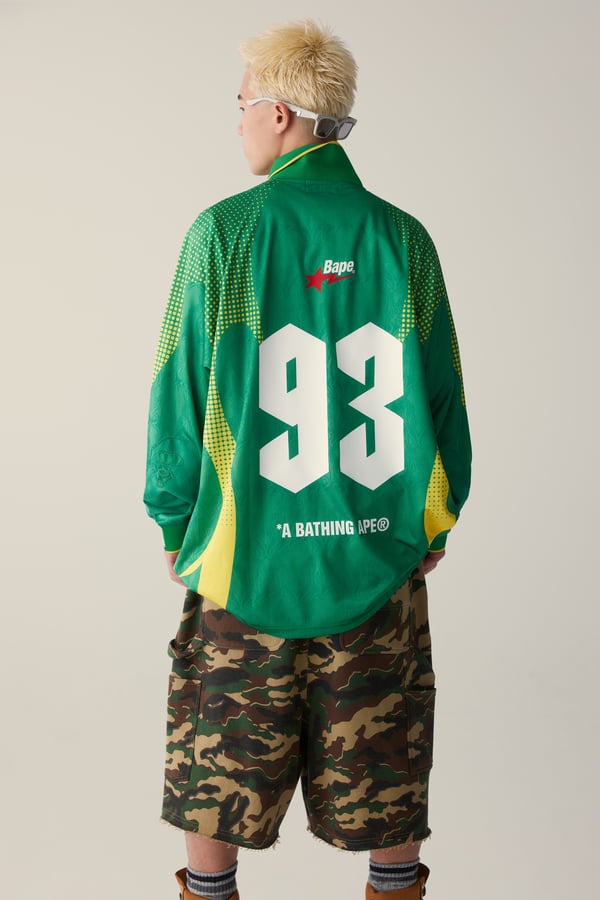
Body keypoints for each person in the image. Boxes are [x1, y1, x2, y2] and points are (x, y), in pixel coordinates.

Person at [144, 19, 471, 900]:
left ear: (281, 114)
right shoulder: (404, 240)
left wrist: (175, 520)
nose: (238, 121)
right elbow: (443, 397)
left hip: (242, 560)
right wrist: (434, 525)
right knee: (387, 779)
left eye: (242, 103)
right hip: (377, 560)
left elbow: (178, 394)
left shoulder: (223, 233)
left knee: (216, 788)